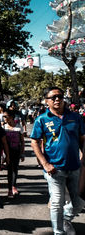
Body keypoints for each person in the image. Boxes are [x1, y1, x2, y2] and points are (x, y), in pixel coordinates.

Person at [30, 86, 85, 235]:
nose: (57, 99)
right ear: (46, 101)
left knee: (79, 204)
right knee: (56, 203)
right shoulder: (42, 119)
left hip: (74, 168)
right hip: (54, 170)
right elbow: (34, 141)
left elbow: (82, 139)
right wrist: (45, 164)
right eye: (53, 97)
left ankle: (66, 220)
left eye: (60, 96)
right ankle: (58, 232)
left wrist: (83, 157)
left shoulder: (76, 117)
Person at [3, 109, 25, 198]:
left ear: (11, 117)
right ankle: (9, 189)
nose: (4, 118)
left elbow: (22, 141)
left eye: (6, 116)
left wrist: (22, 153)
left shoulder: (18, 127)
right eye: (3, 116)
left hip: (16, 150)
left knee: (15, 169)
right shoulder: (3, 127)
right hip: (7, 151)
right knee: (9, 170)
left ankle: (14, 186)